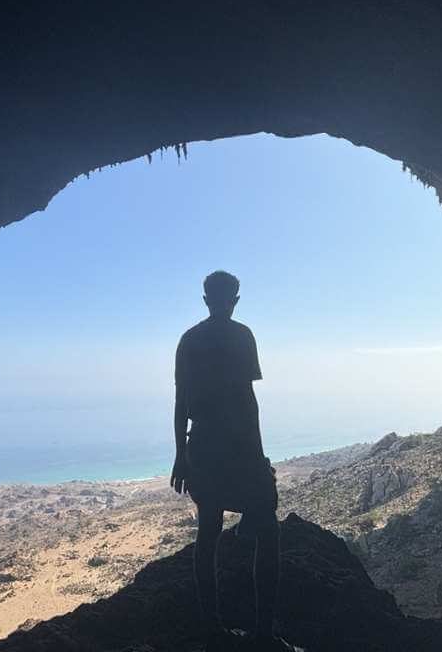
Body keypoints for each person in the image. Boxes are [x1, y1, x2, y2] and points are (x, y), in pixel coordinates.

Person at [170, 271, 295, 651]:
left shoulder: (189, 340)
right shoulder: (242, 336)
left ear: (205, 299)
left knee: (207, 533)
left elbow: (180, 402)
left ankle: (213, 628)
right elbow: (247, 402)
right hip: (238, 447)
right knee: (268, 532)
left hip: (203, 447)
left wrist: (180, 454)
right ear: (234, 300)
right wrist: (259, 460)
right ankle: (263, 633)